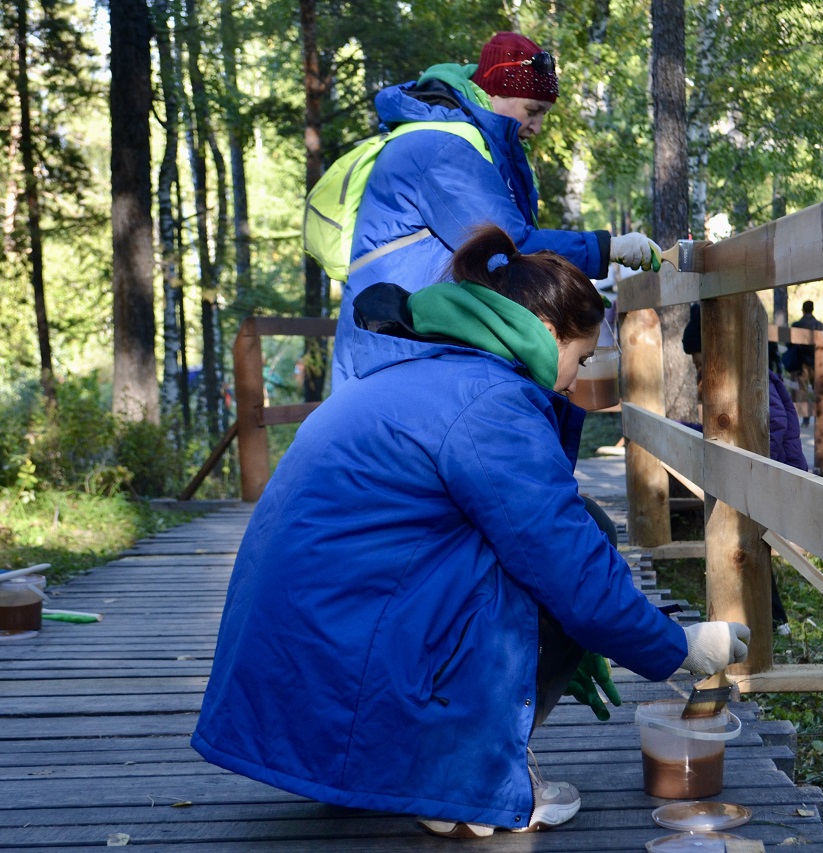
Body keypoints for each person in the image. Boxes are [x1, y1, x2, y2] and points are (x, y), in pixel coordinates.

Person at [191, 226, 749, 839]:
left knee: (540, 546)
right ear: (547, 332)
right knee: (566, 547)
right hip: (344, 662)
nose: (574, 380)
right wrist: (677, 645)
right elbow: (569, 565)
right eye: (581, 358)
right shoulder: (490, 405)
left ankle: (386, 770)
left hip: (302, 680)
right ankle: (459, 786)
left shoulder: (427, 369)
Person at [330, 31, 661, 386]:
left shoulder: (462, 142)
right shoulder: (443, 149)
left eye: (544, 114)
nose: (536, 127)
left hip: (402, 337)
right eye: (532, 111)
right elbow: (507, 245)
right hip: (395, 346)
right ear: (492, 93)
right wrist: (606, 247)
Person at [682, 303, 806, 634]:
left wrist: (757, 470)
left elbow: (773, 429)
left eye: (699, 362)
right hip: (757, 480)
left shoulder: (755, 381)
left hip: (774, 481)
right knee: (748, 546)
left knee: (749, 544)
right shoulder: (736, 382)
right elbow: (721, 431)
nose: (698, 371)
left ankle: (770, 622)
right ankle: (770, 620)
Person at [785, 300, 823, 424]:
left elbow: (789, 343)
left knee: (802, 389)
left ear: (803, 310)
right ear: (812, 309)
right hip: (817, 361)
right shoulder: (820, 326)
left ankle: (805, 416)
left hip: (802, 362)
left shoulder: (797, 325)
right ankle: (820, 416)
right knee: (817, 389)